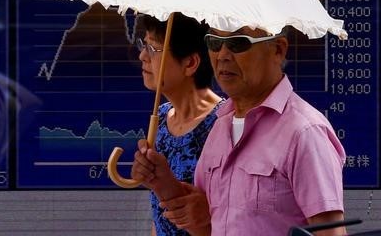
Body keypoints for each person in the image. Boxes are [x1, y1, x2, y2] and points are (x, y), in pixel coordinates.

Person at [132, 25, 347, 236]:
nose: (223, 55)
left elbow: (330, 233)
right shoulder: (220, 127)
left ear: (278, 50)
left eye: (238, 43)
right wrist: (163, 183)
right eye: (215, 42)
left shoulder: (304, 132)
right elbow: (206, 227)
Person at [133, 13, 223, 236]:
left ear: (190, 63)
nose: (142, 56)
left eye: (154, 49)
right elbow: (159, 216)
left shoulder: (223, 125)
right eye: (144, 45)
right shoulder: (162, 117)